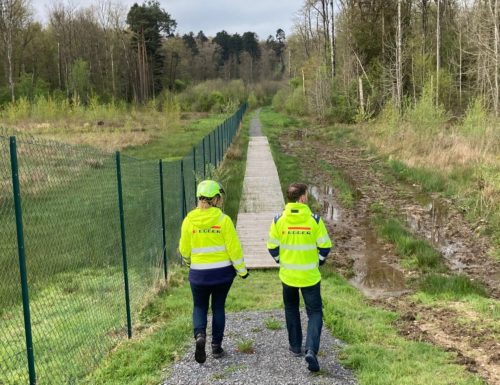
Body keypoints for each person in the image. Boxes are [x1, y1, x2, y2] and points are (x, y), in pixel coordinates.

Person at [179, 179, 249, 364]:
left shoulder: (188, 221)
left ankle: (200, 335)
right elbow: (234, 249)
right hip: (222, 275)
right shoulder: (223, 220)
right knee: (218, 307)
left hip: (199, 275)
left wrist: (189, 264)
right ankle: (216, 347)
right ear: (216, 199)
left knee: (199, 306)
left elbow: (184, 250)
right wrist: (242, 271)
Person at [266, 183, 332, 372]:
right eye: (306, 195)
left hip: (288, 276)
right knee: (315, 312)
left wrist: (282, 261)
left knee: (291, 309)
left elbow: (272, 247)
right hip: (310, 277)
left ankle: (295, 347)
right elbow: (325, 247)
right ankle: (311, 349)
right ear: (302, 198)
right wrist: (318, 261)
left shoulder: (278, 220)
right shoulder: (315, 220)